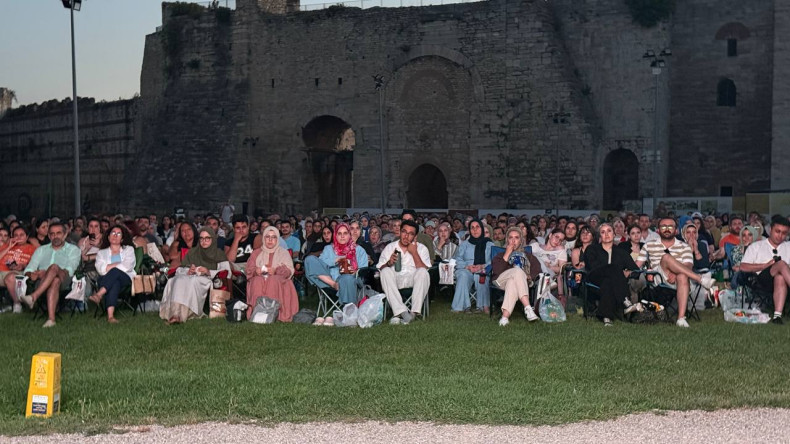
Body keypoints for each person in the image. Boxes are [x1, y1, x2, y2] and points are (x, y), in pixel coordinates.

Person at [635, 217, 715, 328]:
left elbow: (688, 265)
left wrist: (676, 273)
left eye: (670, 226)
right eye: (663, 226)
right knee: (666, 257)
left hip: (681, 280)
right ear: (658, 230)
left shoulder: (684, 247)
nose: (667, 229)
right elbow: (636, 265)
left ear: (676, 230)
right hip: (659, 278)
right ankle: (700, 279)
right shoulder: (649, 245)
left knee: (682, 275)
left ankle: (681, 318)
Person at [160, 227, 229, 324]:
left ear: (212, 239)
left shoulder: (219, 254)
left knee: (192, 282)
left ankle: (187, 314)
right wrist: (188, 270)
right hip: (188, 276)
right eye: (201, 238)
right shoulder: (192, 252)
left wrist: (208, 271)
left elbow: (227, 271)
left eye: (207, 238)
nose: (204, 241)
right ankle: (175, 314)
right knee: (177, 280)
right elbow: (180, 268)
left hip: (206, 279)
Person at [19, 222, 81, 328]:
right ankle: (51, 320)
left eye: (58, 233)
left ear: (65, 234)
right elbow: (29, 269)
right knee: (54, 280)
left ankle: (33, 297)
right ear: (49, 236)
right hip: (42, 281)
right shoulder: (41, 250)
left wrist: (50, 271)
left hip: (65, 279)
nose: (55, 236)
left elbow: (70, 269)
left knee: (54, 267)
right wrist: (33, 274)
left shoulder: (73, 249)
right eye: (52, 234)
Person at [582, 223, 640, 326]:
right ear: (600, 236)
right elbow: (593, 267)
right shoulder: (592, 249)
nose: (606, 234)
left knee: (608, 282)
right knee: (613, 268)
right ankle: (625, 301)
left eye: (609, 231)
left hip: (613, 284)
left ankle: (606, 318)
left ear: (614, 234)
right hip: (594, 280)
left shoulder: (621, 252)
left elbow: (636, 271)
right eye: (603, 232)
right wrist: (618, 271)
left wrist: (629, 272)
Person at [376, 219, 431, 324]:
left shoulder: (422, 248)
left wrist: (414, 253)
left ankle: (413, 313)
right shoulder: (390, 247)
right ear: (400, 232)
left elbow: (425, 269)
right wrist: (389, 263)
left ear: (415, 237)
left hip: (414, 280)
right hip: (395, 280)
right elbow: (379, 267)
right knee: (385, 271)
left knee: (423, 272)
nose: (406, 236)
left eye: (410, 234)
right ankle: (402, 312)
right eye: (404, 232)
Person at [739, 215, 790, 324]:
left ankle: (777, 316)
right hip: (761, 280)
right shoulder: (757, 246)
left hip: (784, 281)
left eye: (784, 233)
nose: (780, 236)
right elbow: (743, 266)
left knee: (780, 276)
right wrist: (763, 266)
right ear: (770, 230)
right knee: (780, 263)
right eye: (777, 231)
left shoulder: (788, 246)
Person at [304, 223, 368, 306]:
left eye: (345, 233)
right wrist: (336, 260)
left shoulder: (359, 250)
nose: (342, 236)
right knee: (309, 259)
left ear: (349, 235)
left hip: (350, 280)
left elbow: (364, 270)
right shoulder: (328, 248)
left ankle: (350, 311)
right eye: (339, 233)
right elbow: (320, 264)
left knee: (347, 278)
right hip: (329, 280)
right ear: (335, 235)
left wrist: (355, 271)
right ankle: (334, 285)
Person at [246, 226, 299, 322]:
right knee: (257, 280)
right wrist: (255, 271)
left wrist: (276, 271)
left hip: (278, 281)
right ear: (263, 238)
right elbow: (249, 270)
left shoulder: (283, 253)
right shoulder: (256, 253)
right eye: (267, 237)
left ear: (278, 239)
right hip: (260, 279)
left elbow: (289, 271)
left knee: (273, 280)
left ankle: (275, 314)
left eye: (273, 237)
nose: (270, 240)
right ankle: (257, 313)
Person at [492, 227, 540, 326]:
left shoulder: (528, 256)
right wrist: (507, 253)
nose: (513, 240)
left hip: (518, 283)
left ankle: (504, 318)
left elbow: (537, 269)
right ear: (507, 240)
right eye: (510, 237)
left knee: (512, 283)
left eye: (517, 238)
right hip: (500, 281)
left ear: (521, 240)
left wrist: (530, 276)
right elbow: (497, 271)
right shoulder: (500, 255)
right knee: (517, 271)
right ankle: (528, 308)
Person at [90, 225, 137, 324]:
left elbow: (128, 266)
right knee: (114, 282)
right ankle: (111, 317)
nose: (115, 235)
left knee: (115, 272)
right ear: (108, 236)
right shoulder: (101, 253)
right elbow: (101, 270)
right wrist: (118, 264)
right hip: (105, 279)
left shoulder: (128, 250)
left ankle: (99, 294)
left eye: (118, 233)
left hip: (126, 279)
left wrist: (109, 266)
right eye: (113, 233)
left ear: (122, 238)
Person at [451, 219, 492, 313]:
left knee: (481, 276)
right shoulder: (464, 244)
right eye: (472, 228)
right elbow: (457, 259)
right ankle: (463, 307)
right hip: (466, 269)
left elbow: (492, 261)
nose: (475, 230)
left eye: (477, 227)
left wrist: (482, 266)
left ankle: (482, 306)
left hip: (482, 268)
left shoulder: (489, 244)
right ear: (469, 230)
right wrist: (467, 266)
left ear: (481, 229)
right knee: (463, 275)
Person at [0, 226, 37, 313]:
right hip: (1, 272)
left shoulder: (32, 248)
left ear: (27, 237)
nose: (18, 237)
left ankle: (17, 304)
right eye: (16, 235)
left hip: (17, 273)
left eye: (21, 235)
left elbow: (35, 264)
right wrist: (9, 247)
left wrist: (24, 265)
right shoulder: (5, 246)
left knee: (11, 277)